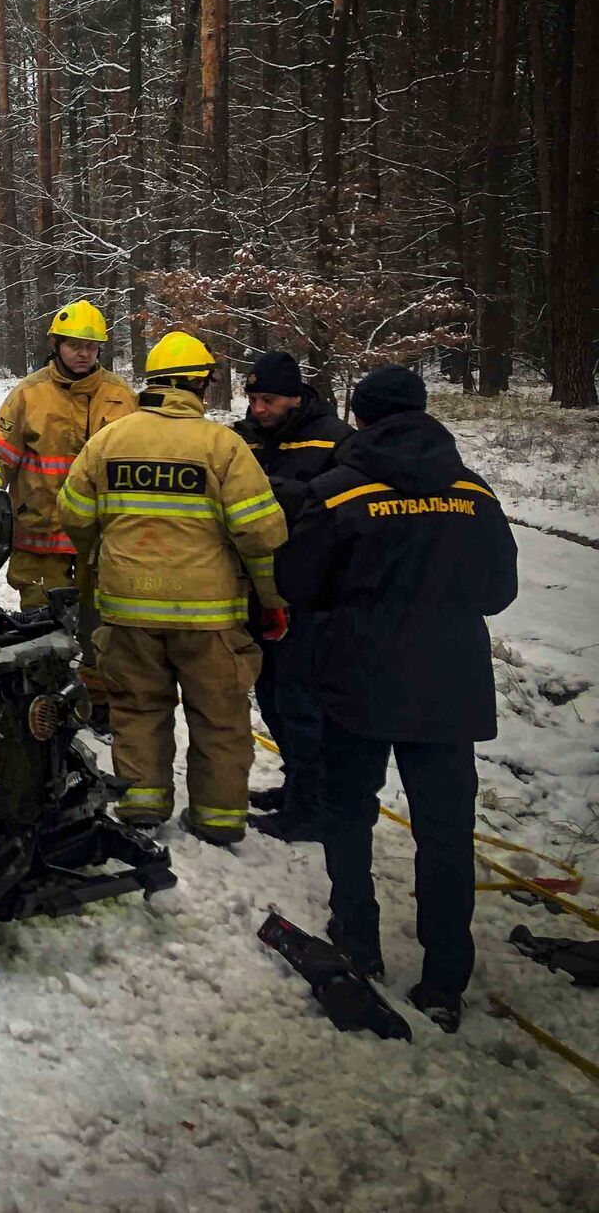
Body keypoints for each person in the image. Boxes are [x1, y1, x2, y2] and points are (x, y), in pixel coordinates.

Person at [276, 364, 518, 1033]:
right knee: (446, 834)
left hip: (358, 678)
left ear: (359, 416)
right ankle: (445, 977)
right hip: (450, 684)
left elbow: (296, 582)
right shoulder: (474, 493)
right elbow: (500, 590)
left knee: (349, 812)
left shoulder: (335, 492)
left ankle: (358, 939)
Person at [58, 331, 288, 844]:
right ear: (199, 385)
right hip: (208, 619)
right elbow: (261, 533)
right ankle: (219, 818)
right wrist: (270, 598)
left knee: (137, 707)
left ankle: (141, 802)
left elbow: (72, 514)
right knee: (220, 718)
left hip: (127, 610)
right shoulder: (222, 445)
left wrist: (105, 546)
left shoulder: (109, 440)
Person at [0, 301, 137, 719]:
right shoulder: (27, 395)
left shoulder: (121, 397)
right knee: (40, 628)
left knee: (102, 629)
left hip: (100, 542)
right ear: (56, 344)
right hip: (39, 538)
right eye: (74, 344)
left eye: (91, 346)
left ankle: (98, 706)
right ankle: (42, 704)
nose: (83, 353)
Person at [230, 350, 353, 843]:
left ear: (296, 398)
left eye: (269, 400)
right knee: (272, 694)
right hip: (258, 585)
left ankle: (312, 805)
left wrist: (272, 492)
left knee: (300, 700)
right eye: (253, 398)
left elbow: (338, 507)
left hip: (309, 590)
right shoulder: (244, 438)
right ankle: (297, 783)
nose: (258, 409)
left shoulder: (335, 439)